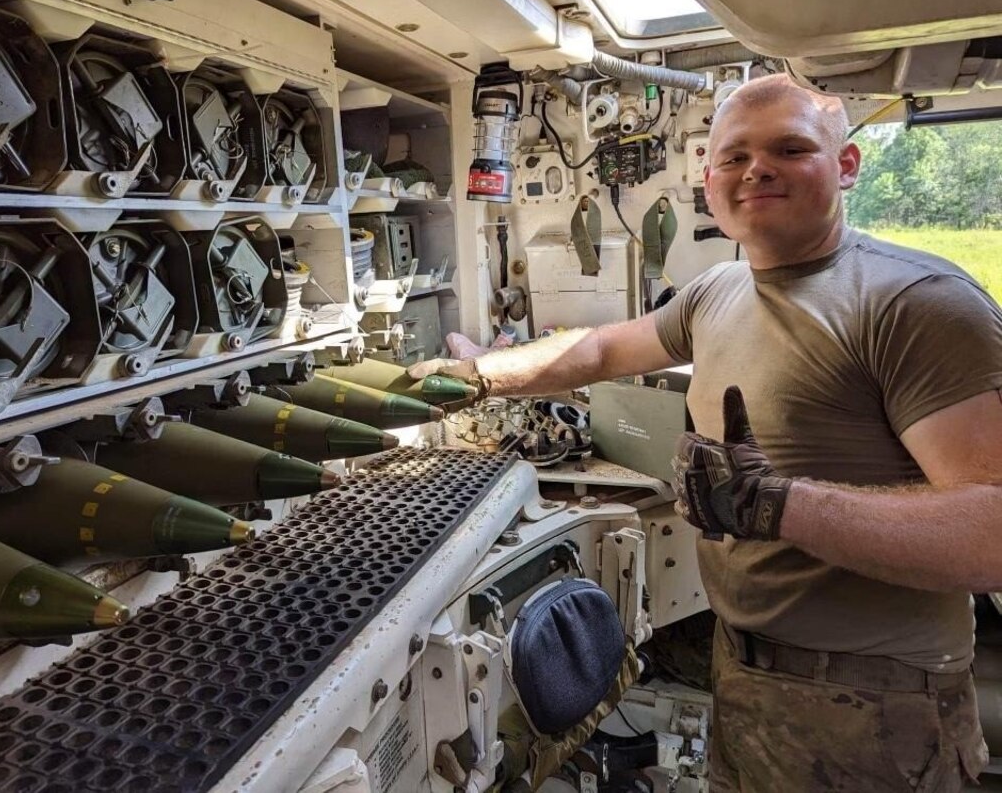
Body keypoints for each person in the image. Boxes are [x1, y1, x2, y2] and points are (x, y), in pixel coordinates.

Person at [410, 73, 1002, 792]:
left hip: (876, 703)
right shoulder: (717, 291)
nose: (757, 169)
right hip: (743, 674)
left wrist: (780, 505)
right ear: (709, 180)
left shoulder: (917, 303)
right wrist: (475, 377)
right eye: (734, 156)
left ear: (846, 166)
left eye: (790, 148)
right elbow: (596, 350)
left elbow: (991, 533)